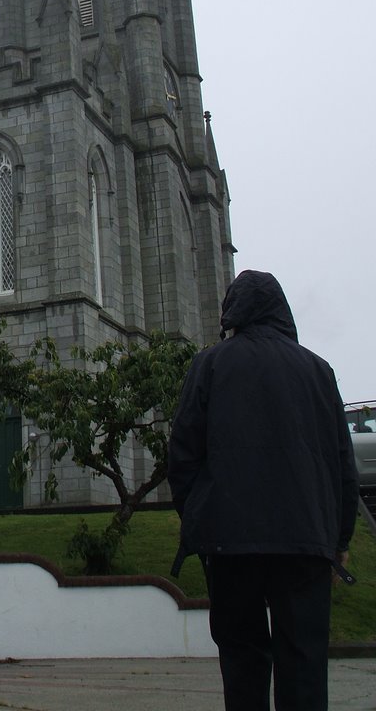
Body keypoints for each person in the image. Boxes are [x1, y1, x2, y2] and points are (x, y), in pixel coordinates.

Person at [168, 270, 358, 711]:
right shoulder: (318, 370)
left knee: (243, 662)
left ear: (234, 309)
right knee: (305, 663)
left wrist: (199, 517)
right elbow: (341, 466)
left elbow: (183, 456)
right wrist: (340, 540)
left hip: (230, 543)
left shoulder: (210, 364)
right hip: (306, 543)